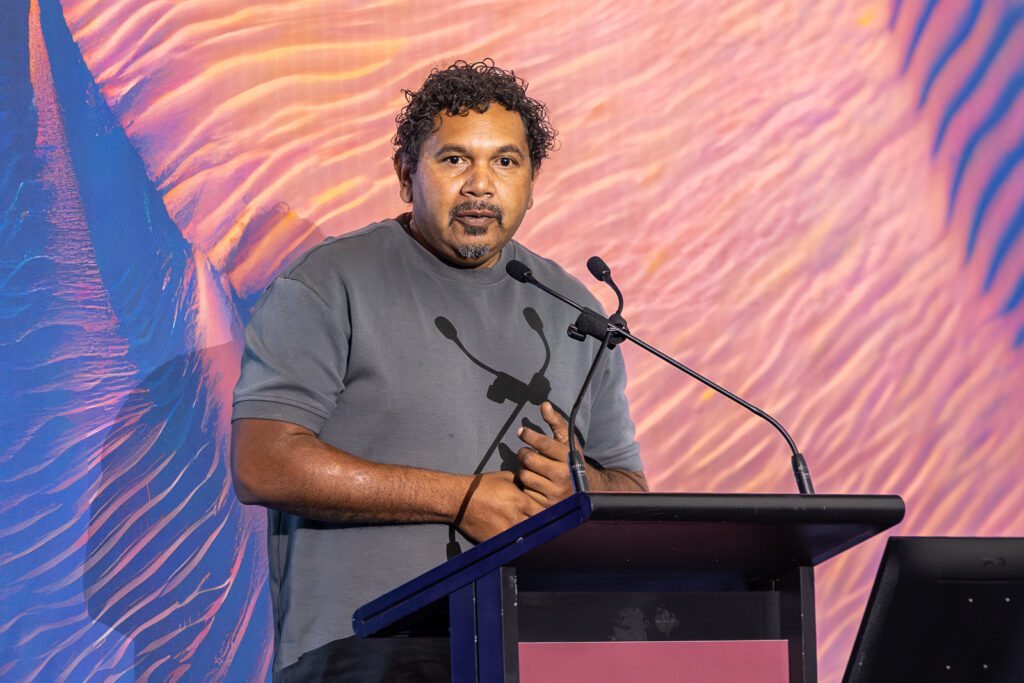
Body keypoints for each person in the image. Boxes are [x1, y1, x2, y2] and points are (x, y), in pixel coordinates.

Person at [231, 59, 647, 681]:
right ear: (406, 174)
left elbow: (629, 487)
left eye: (505, 162)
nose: (481, 185)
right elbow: (262, 462)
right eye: (455, 159)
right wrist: (461, 499)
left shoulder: (574, 310)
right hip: (356, 660)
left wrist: (578, 489)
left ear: (533, 181)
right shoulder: (327, 285)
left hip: (527, 656)